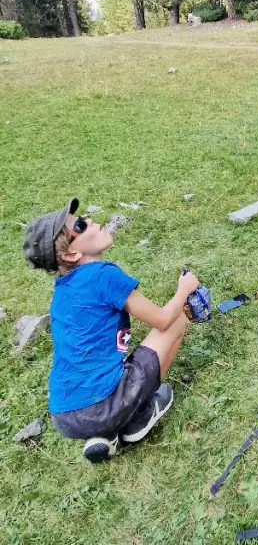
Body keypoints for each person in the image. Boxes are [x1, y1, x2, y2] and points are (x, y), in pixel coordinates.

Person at [23, 198, 201, 463]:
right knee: (177, 320)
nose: (92, 221)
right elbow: (162, 320)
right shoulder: (102, 275)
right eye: (81, 226)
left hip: (65, 414)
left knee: (103, 379)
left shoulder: (62, 290)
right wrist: (183, 290)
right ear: (71, 254)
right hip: (104, 404)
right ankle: (140, 416)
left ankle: (104, 434)